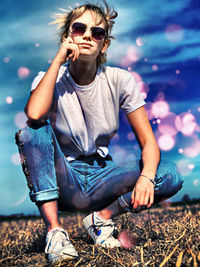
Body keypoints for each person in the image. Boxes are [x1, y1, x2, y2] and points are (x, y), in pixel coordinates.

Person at [15, 1, 183, 263]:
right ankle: (55, 233)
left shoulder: (120, 80)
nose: (87, 35)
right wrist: (58, 59)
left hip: (102, 176)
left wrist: (147, 178)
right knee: (31, 130)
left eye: (97, 32)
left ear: (104, 44)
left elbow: (149, 142)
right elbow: (34, 115)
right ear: (67, 37)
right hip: (64, 179)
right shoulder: (47, 78)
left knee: (168, 174)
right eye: (79, 28)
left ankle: (100, 220)